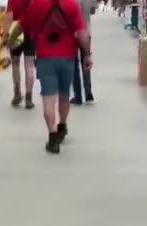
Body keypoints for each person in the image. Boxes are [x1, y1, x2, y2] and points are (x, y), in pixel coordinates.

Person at [8, 0, 93, 153]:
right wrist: (87, 55)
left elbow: (21, 25)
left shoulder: (36, 4)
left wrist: (10, 40)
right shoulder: (71, 4)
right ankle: (62, 124)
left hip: (45, 56)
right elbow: (81, 33)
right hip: (67, 56)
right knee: (64, 95)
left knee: (48, 98)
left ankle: (52, 136)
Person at [3, 0, 35, 109]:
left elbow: (9, 16)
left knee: (15, 64)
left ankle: (17, 93)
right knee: (29, 66)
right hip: (31, 32)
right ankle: (29, 98)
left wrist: (5, 36)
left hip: (16, 33)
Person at [71, 0, 96, 105]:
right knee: (86, 60)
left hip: (72, 34)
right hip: (86, 32)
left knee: (73, 64)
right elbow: (93, 10)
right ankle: (88, 91)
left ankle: (78, 95)